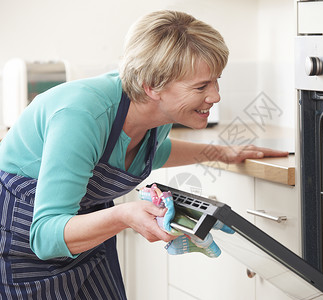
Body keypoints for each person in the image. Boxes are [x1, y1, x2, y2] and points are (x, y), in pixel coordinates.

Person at [0, 10, 288, 300]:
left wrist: (223, 152)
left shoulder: (155, 114)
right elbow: (45, 237)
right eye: (201, 86)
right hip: (22, 242)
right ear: (152, 86)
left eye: (216, 81)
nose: (216, 96)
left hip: (86, 235)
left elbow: (147, 153)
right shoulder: (82, 116)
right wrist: (124, 215)